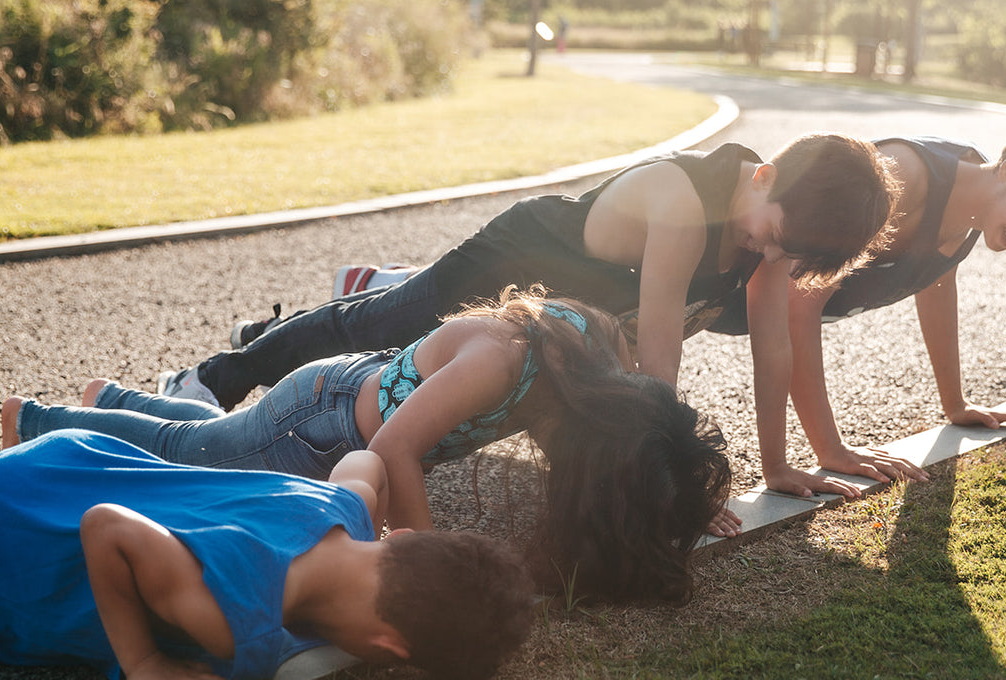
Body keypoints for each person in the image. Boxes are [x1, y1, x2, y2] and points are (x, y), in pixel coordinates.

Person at [160, 136, 898, 504]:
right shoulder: (685, 205)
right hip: (519, 257)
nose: (764, 253)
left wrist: (776, 467)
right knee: (374, 328)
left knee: (386, 331)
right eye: (768, 234)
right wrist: (671, 480)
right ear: (764, 177)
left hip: (571, 312)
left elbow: (772, 349)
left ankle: (303, 320)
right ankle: (213, 376)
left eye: (786, 253)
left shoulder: (773, 229)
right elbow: (659, 360)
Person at [7, 290, 733, 605]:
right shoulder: (504, 360)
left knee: (205, 437)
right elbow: (392, 448)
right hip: (321, 420)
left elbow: (618, 465)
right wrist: (422, 553)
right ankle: (35, 421)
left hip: (346, 409)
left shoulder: (593, 357)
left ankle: (114, 400)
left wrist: (680, 503)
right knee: (190, 450)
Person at [0, 402, 536, 680]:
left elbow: (361, 460)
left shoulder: (345, 512)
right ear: (388, 646)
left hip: (71, 465)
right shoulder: (236, 620)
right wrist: (141, 663)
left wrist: (383, 519)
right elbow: (106, 531)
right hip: (24, 532)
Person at [701, 117, 1006, 485]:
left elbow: (937, 284)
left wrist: (955, 404)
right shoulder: (904, 179)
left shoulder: (975, 205)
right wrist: (830, 448)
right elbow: (797, 305)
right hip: (702, 285)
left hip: (717, 309)